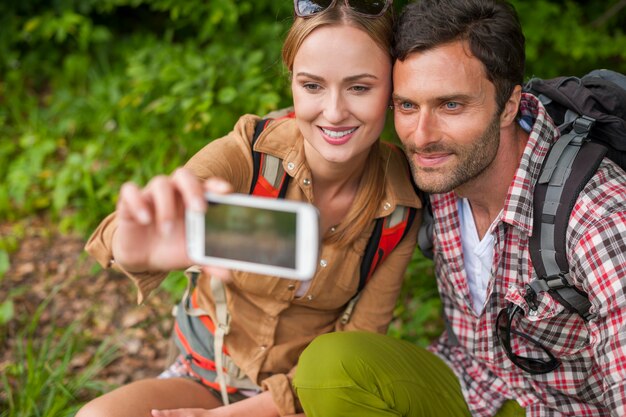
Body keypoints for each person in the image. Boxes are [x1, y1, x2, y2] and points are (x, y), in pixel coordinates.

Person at [77, 1, 422, 417]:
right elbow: (161, 212)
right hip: (202, 375)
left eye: (360, 87)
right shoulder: (251, 151)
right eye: (312, 86)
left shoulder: (400, 207)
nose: (333, 112)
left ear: (393, 90)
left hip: (301, 398)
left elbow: (357, 349)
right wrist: (135, 247)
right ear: (291, 82)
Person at [292, 0, 626, 416]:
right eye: (407, 105)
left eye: (451, 105)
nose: (422, 136)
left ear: (509, 105)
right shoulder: (438, 174)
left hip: (567, 408)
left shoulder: (599, 220)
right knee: (330, 367)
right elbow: (321, 134)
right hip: (473, 386)